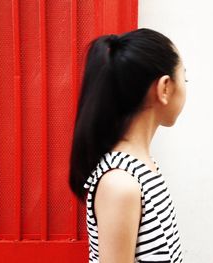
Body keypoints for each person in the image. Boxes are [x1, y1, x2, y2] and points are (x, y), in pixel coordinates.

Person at [69, 28, 187, 263]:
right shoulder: (120, 183)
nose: (186, 86)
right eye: (185, 77)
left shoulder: (142, 169)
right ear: (165, 88)